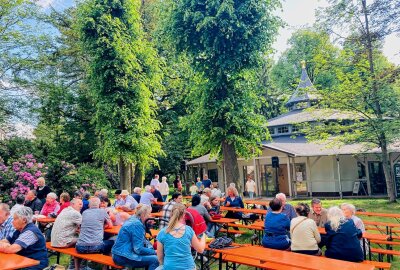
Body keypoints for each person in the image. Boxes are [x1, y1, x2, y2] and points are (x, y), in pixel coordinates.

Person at [157, 203, 206, 270]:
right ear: (184, 215)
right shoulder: (189, 230)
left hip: (169, 267)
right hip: (188, 267)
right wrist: (204, 237)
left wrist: (166, 265)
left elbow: (160, 257)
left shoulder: (162, 232)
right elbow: (200, 250)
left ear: (171, 214)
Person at [112, 204, 159, 270]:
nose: (150, 216)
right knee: (155, 259)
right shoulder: (136, 224)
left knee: (151, 253)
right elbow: (138, 249)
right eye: (149, 214)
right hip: (123, 257)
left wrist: (148, 224)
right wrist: (155, 252)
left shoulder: (133, 219)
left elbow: (140, 234)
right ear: (143, 214)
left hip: (119, 253)